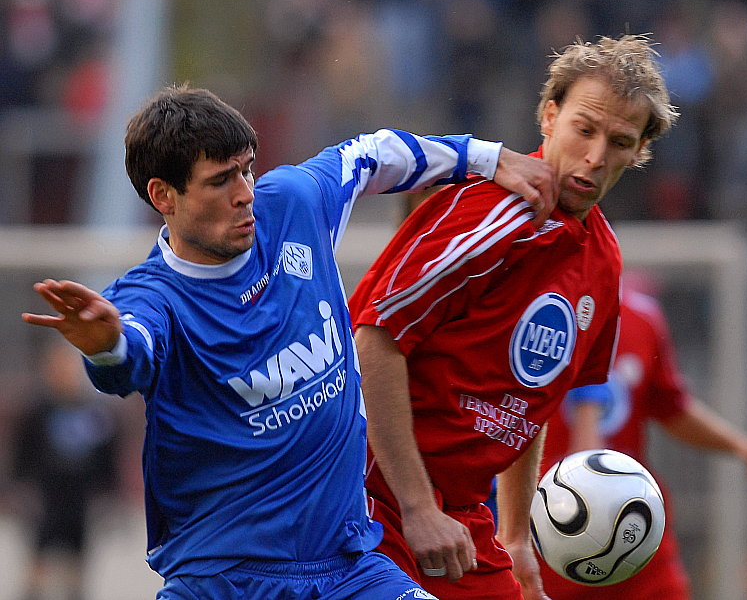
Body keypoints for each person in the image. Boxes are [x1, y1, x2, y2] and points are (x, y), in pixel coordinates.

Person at [20, 84, 558, 600]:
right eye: (220, 181)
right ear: (164, 196)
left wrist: (489, 159)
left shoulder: (292, 206)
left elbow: (373, 153)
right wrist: (105, 344)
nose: (245, 194)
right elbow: (129, 357)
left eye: (247, 169)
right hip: (225, 581)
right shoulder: (151, 297)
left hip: (347, 564)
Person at [347, 34, 678, 600]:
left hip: (460, 514)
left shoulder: (602, 259)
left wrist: (517, 535)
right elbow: (374, 339)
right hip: (362, 497)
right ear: (549, 116)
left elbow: (529, 400)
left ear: (639, 151)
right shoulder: (491, 215)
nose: (596, 156)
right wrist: (417, 506)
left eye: (619, 141)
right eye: (584, 129)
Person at [536, 275, 747, 599]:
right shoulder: (528, 312)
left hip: (633, 523)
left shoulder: (641, 319)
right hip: (549, 525)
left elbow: (672, 408)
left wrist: (741, 446)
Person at [11, 339, 120, 600]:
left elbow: (106, 453)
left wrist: (109, 493)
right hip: (46, 494)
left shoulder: (94, 411)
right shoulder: (37, 410)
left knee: (76, 557)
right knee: (40, 554)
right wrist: (19, 488)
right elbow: (22, 453)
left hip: (80, 495)